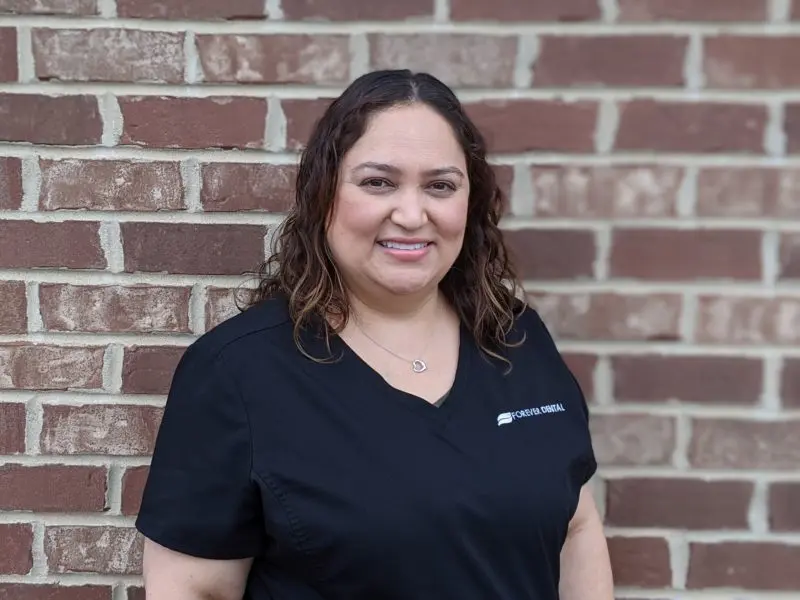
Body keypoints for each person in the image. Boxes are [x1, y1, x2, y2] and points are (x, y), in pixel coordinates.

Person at [135, 69, 614, 600]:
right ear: (323, 195)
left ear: (470, 202)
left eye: (440, 186)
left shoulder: (516, 338)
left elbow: (576, 526)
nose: (411, 214)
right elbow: (193, 589)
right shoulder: (237, 373)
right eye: (378, 182)